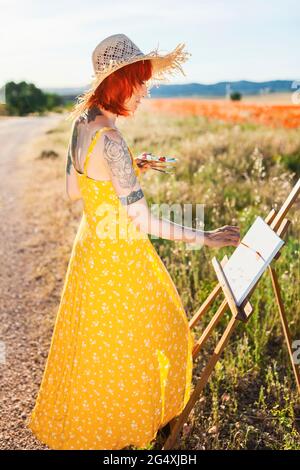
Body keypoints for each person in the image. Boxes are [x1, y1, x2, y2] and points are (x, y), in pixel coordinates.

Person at [26, 34, 240, 450]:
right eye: (139, 81)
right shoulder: (114, 141)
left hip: (90, 247)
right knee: (167, 333)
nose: (144, 91)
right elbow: (141, 219)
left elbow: (75, 191)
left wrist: (127, 170)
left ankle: (101, 428)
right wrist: (206, 238)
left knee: (101, 347)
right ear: (121, 81)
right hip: (121, 255)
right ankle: (135, 428)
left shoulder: (82, 123)